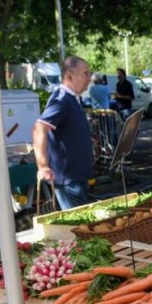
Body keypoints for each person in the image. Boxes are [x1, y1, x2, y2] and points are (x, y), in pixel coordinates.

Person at [33, 56, 93, 209]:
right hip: (68, 181)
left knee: (82, 227)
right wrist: (43, 166)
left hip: (77, 178)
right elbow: (39, 128)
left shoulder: (73, 99)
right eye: (85, 74)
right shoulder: (62, 99)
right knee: (78, 229)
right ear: (69, 76)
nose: (89, 79)